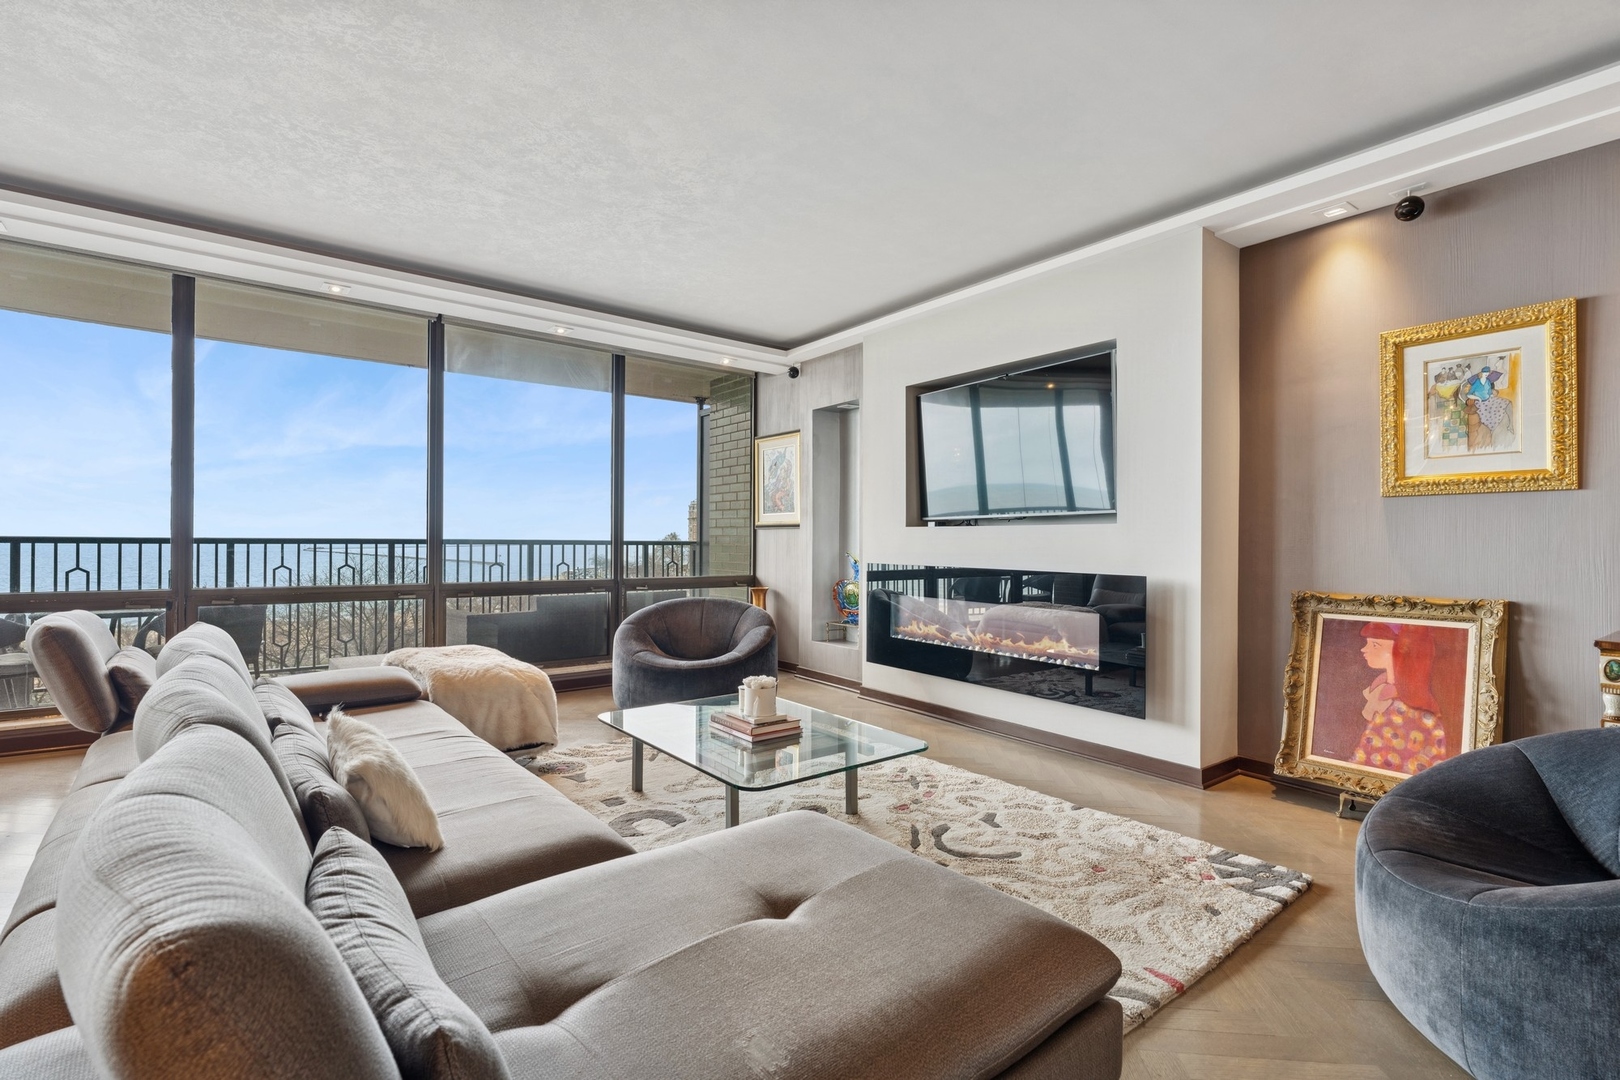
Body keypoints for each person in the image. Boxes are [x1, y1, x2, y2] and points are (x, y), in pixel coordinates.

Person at [1351, 622, 1448, 774]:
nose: (1364, 649)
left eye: (1375, 645)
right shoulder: (1380, 696)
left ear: (1401, 651)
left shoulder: (1413, 717)